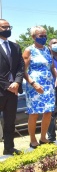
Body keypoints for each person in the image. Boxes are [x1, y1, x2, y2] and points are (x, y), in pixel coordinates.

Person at [23, 26, 57, 148]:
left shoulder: (48, 50)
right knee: (34, 113)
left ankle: (43, 137)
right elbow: (22, 71)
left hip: (48, 84)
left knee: (48, 112)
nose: (44, 38)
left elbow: (52, 66)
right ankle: (33, 139)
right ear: (34, 37)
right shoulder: (29, 50)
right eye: (41, 36)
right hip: (35, 86)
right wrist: (33, 84)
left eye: (45, 36)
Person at [0, 19, 24, 155]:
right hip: (2, 89)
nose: (7, 29)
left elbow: (20, 67)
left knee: (10, 122)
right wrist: (6, 85)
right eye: (4, 27)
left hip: (13, 91)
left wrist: (17, 82)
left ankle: (9, 148)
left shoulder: (15, 47)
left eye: (9, 27)